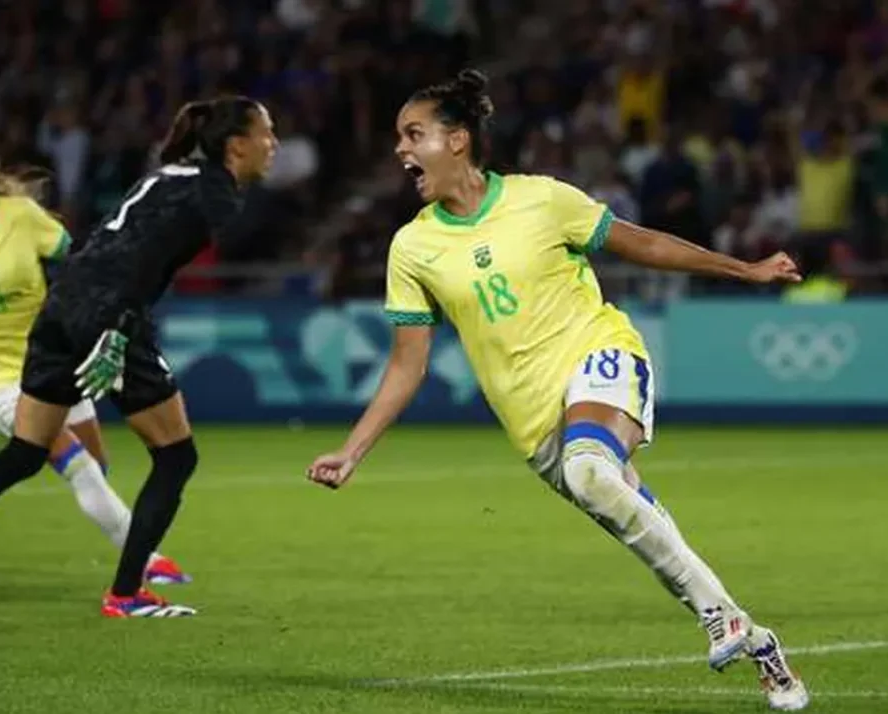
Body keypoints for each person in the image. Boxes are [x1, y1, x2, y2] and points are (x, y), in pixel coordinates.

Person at [305, 70, 810, 711]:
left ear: (458, 140)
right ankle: (746, 631)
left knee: (592, 469)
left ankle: (727, 623)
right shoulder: (413, 247)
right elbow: (408, 363)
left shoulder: (541, 199)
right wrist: (354, 451)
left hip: (599, 355)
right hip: (532, 420)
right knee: (632, 517)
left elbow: (642, 242)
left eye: (414, 135)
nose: (401, 150)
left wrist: (742, 268)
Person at [0, 101, 276, 617]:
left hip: (62, 305)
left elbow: (106, 245)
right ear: (236, 144)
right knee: (177, 457)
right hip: (106, 313)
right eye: (268, 133)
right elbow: (145, 261)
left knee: (23, 454)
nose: (275, 144)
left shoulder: (176, 173)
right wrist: (119, 330)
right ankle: (127, 593)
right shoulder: (214, 192)